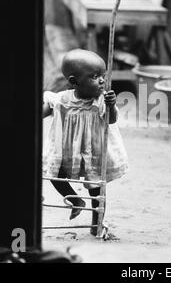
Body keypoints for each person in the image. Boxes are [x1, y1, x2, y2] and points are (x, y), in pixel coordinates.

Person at [43, 49, 128, 236]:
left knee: (97, 190)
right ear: (74, 82)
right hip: (68, 151)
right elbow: (46, 108)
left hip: (94, 151)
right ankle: (75, 200)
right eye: (94, 76)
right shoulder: (62, 99)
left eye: (103, 76)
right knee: (55, 174)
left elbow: (112, 120)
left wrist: (112, 105)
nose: (101, 81)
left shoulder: (102, 100)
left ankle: (96, 225)